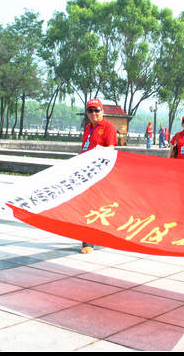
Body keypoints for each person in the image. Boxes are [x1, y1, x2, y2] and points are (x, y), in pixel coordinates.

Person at [79, 99, 117, 254]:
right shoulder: (88, 128)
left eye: (96, 110)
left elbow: (111, 149)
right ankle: (93, 237)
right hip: (85, 172)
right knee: (87, 206)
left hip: (99, 173)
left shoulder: (108, 127)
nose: (93, 113)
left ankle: (89, 242)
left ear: (102, 111)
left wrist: (96, 154)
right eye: (90, 110)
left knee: (94, 206)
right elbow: (84, 148)